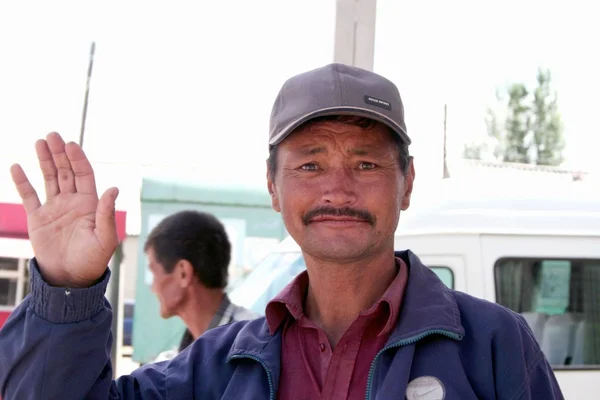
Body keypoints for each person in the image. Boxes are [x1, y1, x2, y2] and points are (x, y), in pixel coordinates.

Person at [0, 63, 563, 399]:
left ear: (406, 184)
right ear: (273, 187)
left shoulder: (494, 346)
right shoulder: (216, 369)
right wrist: (66, 288)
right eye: (309, 165)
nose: (337, 190)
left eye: (366, 164)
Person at [144, 210, 259, 361]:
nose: (153, 288)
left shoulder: (255, 344)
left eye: (154, 273)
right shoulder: (177, 360)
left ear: (183, 273)